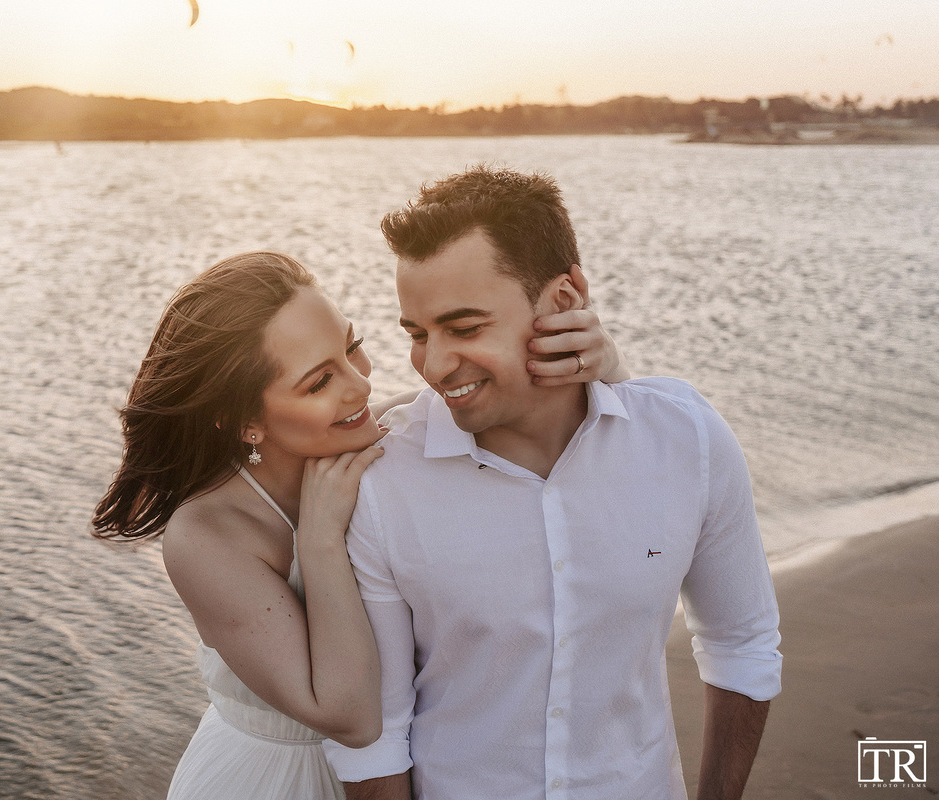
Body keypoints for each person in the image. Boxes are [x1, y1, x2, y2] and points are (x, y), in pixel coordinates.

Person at [92, 251, 626, 799]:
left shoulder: (388, 435)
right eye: (320, 382)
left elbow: (537, 408)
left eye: (352, 348)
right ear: (245, 421)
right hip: (274, 781)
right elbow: (350, 717)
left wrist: (606, 360)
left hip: (407, 771)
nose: (360, 387)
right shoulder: (207, 536)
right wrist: (319, 540)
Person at [323, 167, 783, 800]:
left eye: (465, 328)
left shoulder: (686, 440)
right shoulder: (382, 481)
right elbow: (376, 732)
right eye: (418, 334)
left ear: (565, 301)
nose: (434, 364)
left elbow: (741, 642)